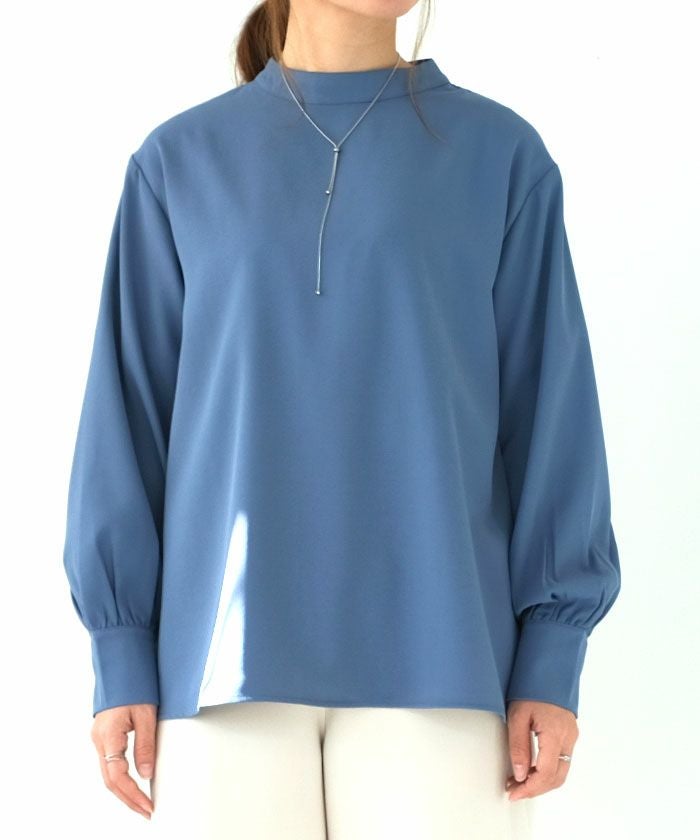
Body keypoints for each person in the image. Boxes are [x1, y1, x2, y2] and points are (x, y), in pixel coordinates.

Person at [61, 0, 622, 837]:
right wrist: (119, 650)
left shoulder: (501, 157)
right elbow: (127, 419)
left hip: (445, 658)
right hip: (217, 669)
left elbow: (552, 416)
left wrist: (552, 650)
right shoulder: (179, 161)